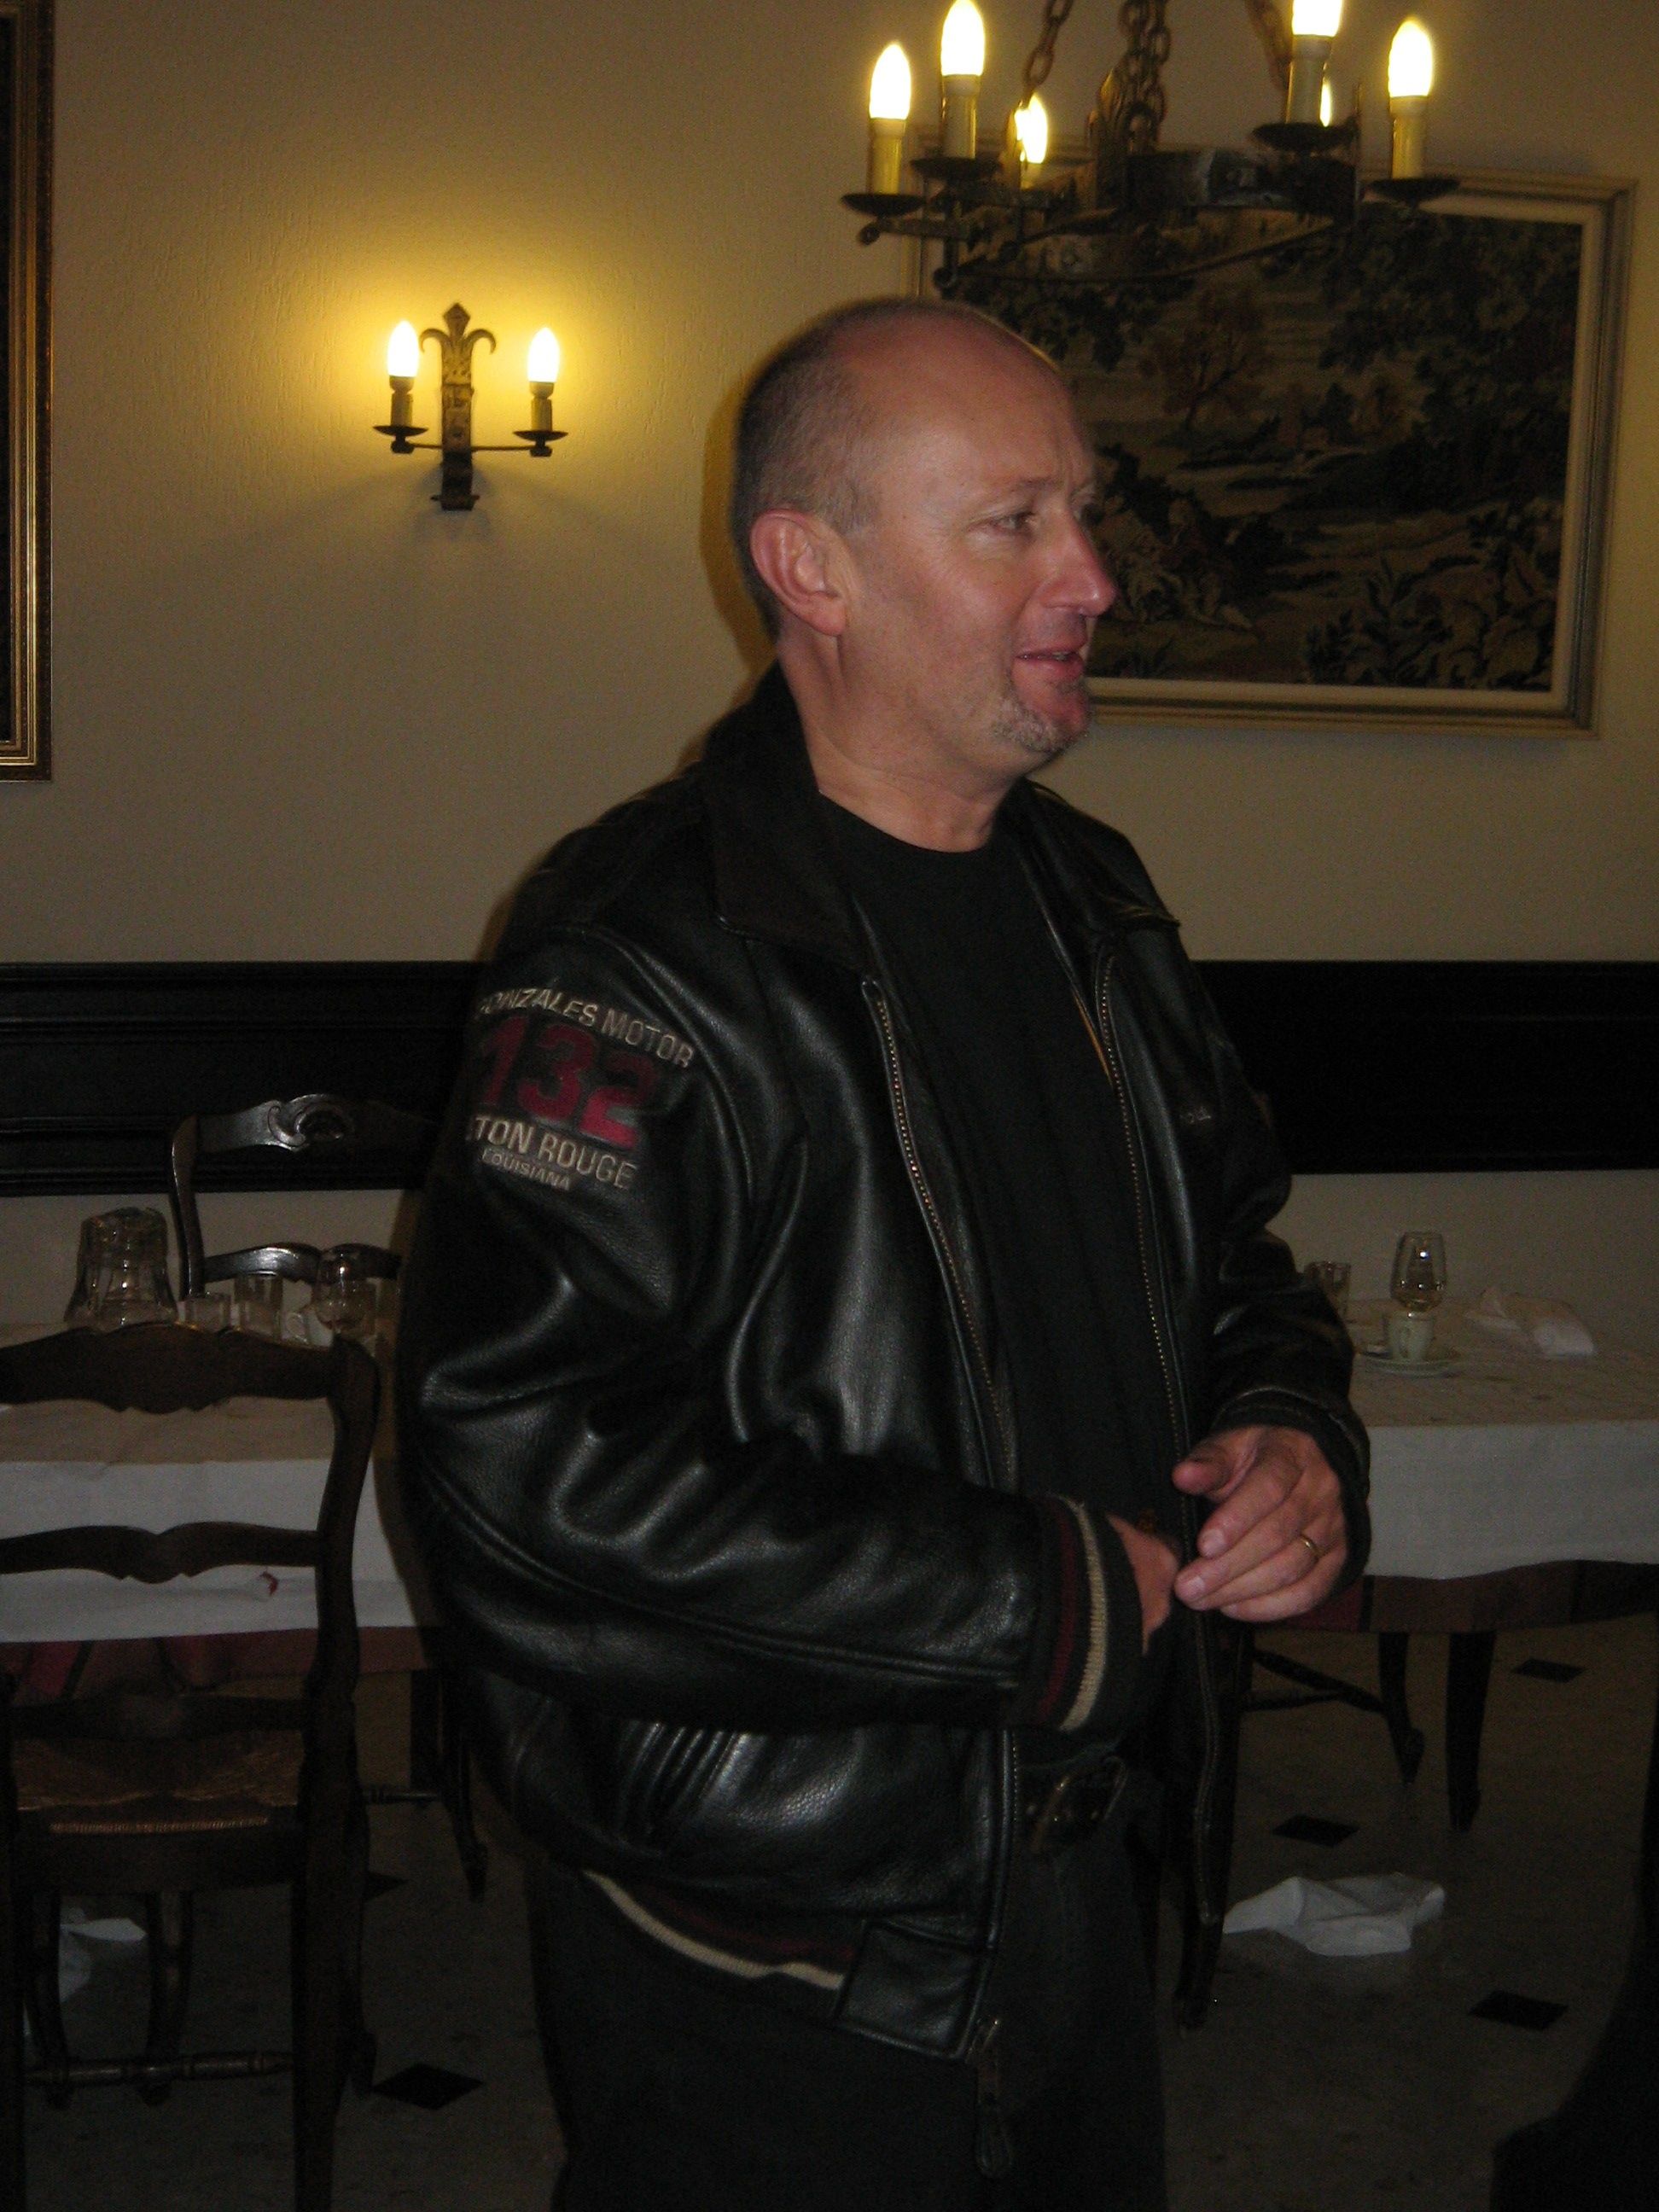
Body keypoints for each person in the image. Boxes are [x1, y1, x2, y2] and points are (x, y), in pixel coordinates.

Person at [396, 297, 1370, 2212]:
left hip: (1076, 1855)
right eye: (1013, 523)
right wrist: (1036, 1602)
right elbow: (518, 1471)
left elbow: (1234, 1253)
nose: (1092, 577)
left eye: (1083, 514)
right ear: (810, 568)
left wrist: (1287, 1425)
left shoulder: (1095, 897)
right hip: (777, 1924)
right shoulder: (639, 949)